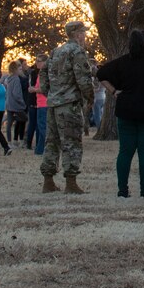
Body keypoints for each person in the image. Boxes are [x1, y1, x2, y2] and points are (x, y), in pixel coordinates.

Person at [96, 29, 144, 198]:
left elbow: (100, 74)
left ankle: (122, 190)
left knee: (125, 151)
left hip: (127, 111)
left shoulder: (122, 62)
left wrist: (113, 91)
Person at [39, 21, 97, 194]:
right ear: (77, 34)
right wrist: (90, 97)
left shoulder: (56, 51)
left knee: (52, 142)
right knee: (71, 143)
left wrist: (49, 91)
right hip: (69, 105)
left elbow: (43, 73)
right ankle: (71, 183)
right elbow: (83, 79)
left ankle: (48, 181)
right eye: (83, 33)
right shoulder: (77, 51)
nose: (85, 36)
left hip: (53, 104)